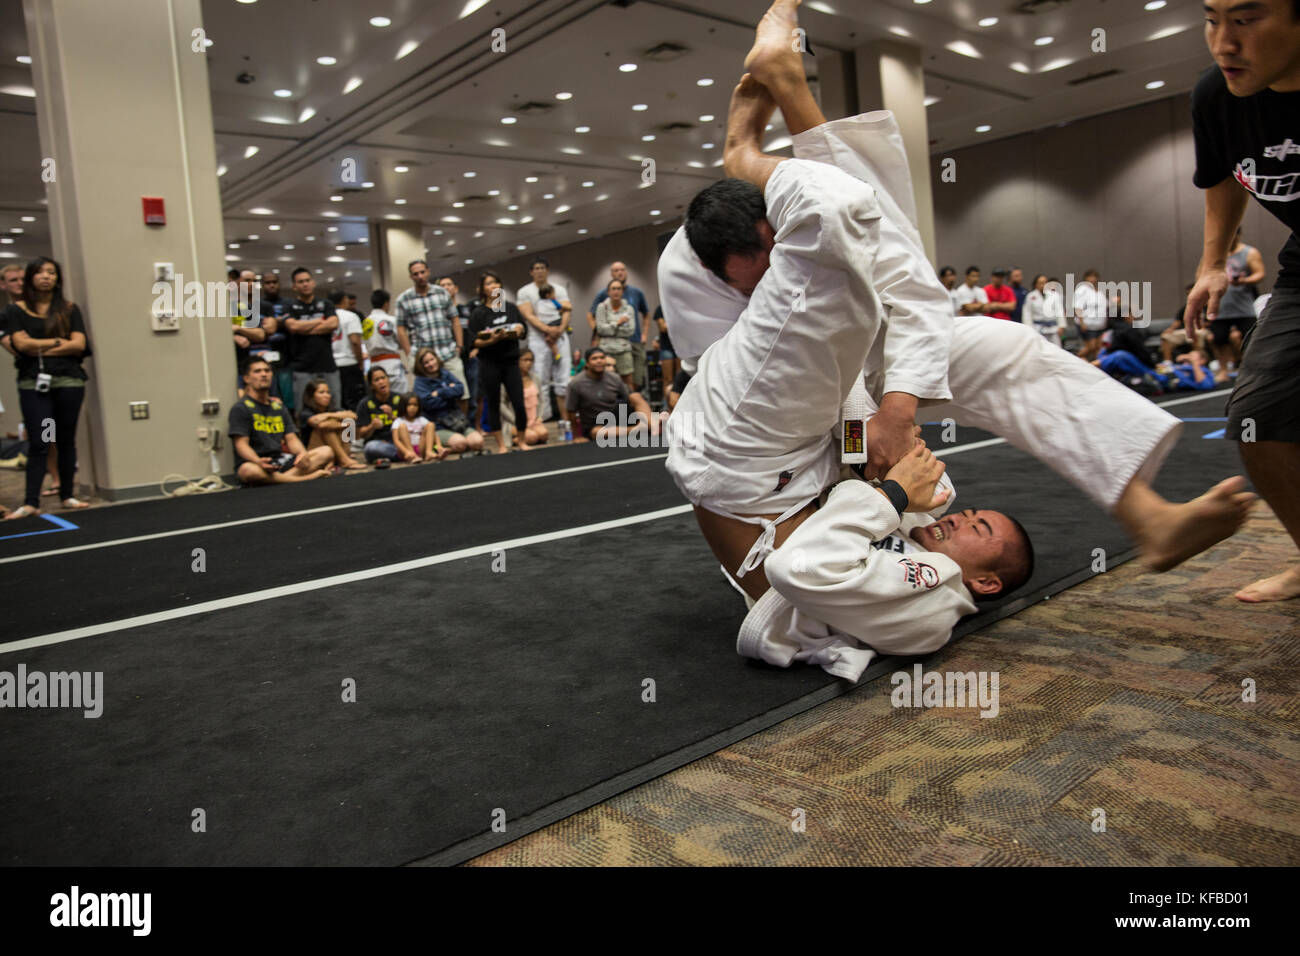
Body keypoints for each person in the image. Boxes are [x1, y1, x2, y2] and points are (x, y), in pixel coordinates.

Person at [659, 0, 1253, 611]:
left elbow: (899, 294)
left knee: (999, 345)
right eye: (755, 280)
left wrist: (894, 413)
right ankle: (760, 127)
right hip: (763, 434)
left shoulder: (809, 240)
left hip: (834, 386)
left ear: (776, 221)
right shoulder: (690, 276)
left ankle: (1146, 514)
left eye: (781, 257)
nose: (779, 280)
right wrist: (879, 450)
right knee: (844, 242)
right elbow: (779, 392)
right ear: (713, 274)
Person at [1187, 0, 1300, 603]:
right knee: (1259, 415)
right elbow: (1224, 176)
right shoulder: (1217, 97)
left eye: (1246, 19)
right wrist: (1211, 264)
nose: (1222, 43)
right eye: (1211, 19)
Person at [2, 256, 91, 520]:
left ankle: (67, 494)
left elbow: (79, 345)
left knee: (65, 439)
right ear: (31, 278)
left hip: (68, 381)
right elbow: (21, 345)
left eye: (51, 272)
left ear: (57, 278)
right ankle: (31, 501)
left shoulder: (69, 309)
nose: (46, 277)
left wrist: (39, 344)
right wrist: (59, 342)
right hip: (35, 384)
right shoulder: (15, 312)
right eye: (40, 272)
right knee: (41, 438)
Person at [227, 357, 333, 485]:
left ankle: (279, 480)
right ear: (246, 378)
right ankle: (302, 478)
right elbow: (241, 445)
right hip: (257, 463)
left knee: (327, 451)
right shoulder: (241, 408)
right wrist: (258, 461)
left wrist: (302, 453)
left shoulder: (278, 407)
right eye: (257, 371)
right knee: (248, 471)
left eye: (267, 371)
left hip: (281, 460)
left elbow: (291, 438)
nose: (264, 374)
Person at [467, 270, 531, 454]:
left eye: (496, 282)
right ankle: (501, 445)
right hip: (489, 362)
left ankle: (522, 442)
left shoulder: (510, 307)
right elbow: (474, 341)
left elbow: (523, 329)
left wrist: (519, 329)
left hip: (511, 361)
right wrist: (491, 340)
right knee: (493, 402)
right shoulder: (478, 313)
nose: (493, 286)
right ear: (482, 289)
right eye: (488, 283)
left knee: (518, 402)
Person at [395, 260, 466, 401]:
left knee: (461, 394)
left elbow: (455, 320)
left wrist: (459, 346)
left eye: (422, 272)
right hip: (422, 357)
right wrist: (410, 354)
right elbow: (401, 328)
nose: (420, 276)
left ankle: (462, 423)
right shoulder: (404, 299)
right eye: (416, 274)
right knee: (428, 399)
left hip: (448, 352)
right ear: (411, 277)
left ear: (428, 272)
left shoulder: (442, 293)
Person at [515, 258, 572, 425]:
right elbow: (528, 315)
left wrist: (560, 329)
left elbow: (567, 309)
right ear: (531, 272)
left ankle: (566, 417)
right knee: (541, 378)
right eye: (536, 268)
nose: (539, 271)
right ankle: (544, 418)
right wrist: (547, 330)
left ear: (547, 270)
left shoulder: (559, 289)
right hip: (538, 339)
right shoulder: (524, 292)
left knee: (564, 377)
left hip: (560, 336)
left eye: (542, 268)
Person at [566, 347, 659, 443]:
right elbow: (571, 412)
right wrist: (576, 436)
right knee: (598, 433)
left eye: (602, 358)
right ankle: (637, 430)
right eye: (594, 358)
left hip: (616, 417)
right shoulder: (576, 384)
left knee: (635, 396)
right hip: (595, 425)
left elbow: (630, 399)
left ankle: (651, 424)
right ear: (587, 363)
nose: (599, 361)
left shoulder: (614, 378)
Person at [1209, 228, 1266, 383]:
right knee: (1219, 339)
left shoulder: (1249, 252)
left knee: (1250, 339)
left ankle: (1253, 370)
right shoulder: (1215, 254)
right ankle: (1223, 371)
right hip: (1221, 306)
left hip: (1243, 306)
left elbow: (1260, 273)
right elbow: (1204, 275)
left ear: (1238, 234)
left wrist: (1243, 281)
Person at [587, 261, 651, 389]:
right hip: (608, 344)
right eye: (616, 270)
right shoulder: (602, 295)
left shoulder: (636, 292)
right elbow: (590, 315)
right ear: (611, 274)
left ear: (626, 272)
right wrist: (600, 333)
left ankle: (630, 406)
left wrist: (644, 334)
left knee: (636, 379)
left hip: (634, 340)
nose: (619, 272)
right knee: (609, 380)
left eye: (622, 269)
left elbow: (647, 314)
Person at [283, 267, 341, 409]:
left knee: (335, 408)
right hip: (302, 367)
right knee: (302, 410)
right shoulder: (289, 306)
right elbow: (293, 327)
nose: (305, 284)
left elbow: (333, 323)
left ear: (313, 282)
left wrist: (305, 328)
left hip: (327, 366)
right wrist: (319, 322)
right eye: (300, 282)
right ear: (294, 286)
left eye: (308, 280)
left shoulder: (326, 304)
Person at [413, 347, 486, 456]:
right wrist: (450, 393)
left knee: (478, 442)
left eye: (432, 359)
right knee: (461, 443)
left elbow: (460, 390)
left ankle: (452, 447)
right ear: (421, 366)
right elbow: (428, 404)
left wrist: (439, 393)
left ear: (437, 359)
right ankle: (439, 449)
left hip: (457, 422)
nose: (431, 364)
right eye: (426, 362)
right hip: (438, 426)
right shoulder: (420, 382)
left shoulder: (445, 373)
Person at [298, 377, 365, 470]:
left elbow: (353, 416)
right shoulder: (305, 413)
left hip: (334, 449)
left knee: (347, 422)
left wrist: (328, 415)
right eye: (321, 392)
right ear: (312, 396)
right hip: (314, 451)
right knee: (327, 427)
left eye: (328, 392)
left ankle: (344, 456)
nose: (326, 396)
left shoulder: (332, 410)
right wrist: (341, 424)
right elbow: (319, 424)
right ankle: (344, 460)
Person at [438, 275, 479, 419]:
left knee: (473, 395)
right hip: (449, 358)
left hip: (469, 357)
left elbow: (476, 330)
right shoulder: (439, 314)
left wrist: (476, 349)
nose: (446, 287)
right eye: (443, 285)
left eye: (449, 284)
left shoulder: (466, 309)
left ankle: (474, 426)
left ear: (456, 289)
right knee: (456, 393)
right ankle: (459, 423)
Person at [593, 278, 637, 388]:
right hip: (606, 350)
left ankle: (624, 406)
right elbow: (601, 329)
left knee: (627, 383)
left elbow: (630, 331)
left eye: (619, 289)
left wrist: (610, 328)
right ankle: (609, 406)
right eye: (613, 289)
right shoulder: (602, 307)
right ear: (608, 292)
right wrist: (618, 323)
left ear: (622, 291)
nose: (616, 291)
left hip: (624, 350)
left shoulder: (629, 309)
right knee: (606, 383)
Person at [328, 287, 366, 410]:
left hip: (332, 366)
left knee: (337, 403)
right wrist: (360, 362)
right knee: (353, 403)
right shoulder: (351, 316)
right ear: (345, 300)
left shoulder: (326, 318)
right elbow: (355, 341)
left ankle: (342, 429)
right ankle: (351, 429)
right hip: (349, 364)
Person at [356, 366, 403, 464]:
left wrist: (393, 417)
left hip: (400, 441)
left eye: (383, 378)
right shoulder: (364, 404)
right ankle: (404, 454)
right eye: (377, 380)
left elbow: (410, 424)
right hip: (379, 444)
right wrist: (371, 426)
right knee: (370, 448)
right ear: (371, 385)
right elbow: (360, 434)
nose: (381, 382)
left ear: (388, 379)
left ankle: (402, 453)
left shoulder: (400, 399)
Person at [364, 289, 407, 394]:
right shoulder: (391, 320)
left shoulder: (366, 322)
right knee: (399, 398)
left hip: (374, 364)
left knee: (379, 397)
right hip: (392, 363)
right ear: (386, 303)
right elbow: (402, 342)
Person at [510, 349, 549, 446]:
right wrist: (514, 420)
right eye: (525, 360)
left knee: (544, 435)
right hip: (514, 421)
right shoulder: (510, 380)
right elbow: (502, 405)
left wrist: (540, 416)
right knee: (532, 438)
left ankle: (528, 434)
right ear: (517, 360)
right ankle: (514, 439)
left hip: (533, 420)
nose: (529, 363)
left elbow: (542, 400)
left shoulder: (535, 378)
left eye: (531, 360)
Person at [392, 392, 446, 463]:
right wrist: (406, 452)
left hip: (421, 447)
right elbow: (396, 441)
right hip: (406, 450)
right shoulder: (398, 421)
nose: (412, 408)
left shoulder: (421, 419)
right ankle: (412, 455)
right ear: (403, 406)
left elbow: (433, 434)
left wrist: (439, 445)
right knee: (402, 427)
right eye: (409, 405)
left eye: (415, 405)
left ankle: (428, 452)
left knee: (430, 424)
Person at [1073, 268, 1108, 361]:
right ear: (1085, 278)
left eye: (1094, 277)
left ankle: (1098, 368)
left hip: (1100, 326)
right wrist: (1082, 322)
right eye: (1090, 277)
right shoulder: (1082, 290)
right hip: (1087, 324)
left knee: (1098, 348)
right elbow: (1078, 307)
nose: (1092, 279)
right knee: (1091, 347)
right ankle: (1073, 360)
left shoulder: (1099, 292)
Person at [1021, 273, 1064, 346]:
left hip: (1053, 328)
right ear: (1036, 284)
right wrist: (1030, 329)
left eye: (1045, 283)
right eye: (1040, 283)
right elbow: (1027, 313)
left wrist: (1061, 326)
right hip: (1038, 328)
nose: (1043, 285)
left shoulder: (1054, 295)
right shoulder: (1031, 296)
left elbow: (1060, 311)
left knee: (1056, 349)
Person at [652, 303, 679, 392]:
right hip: (666, 347)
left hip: (681, 347)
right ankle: (667, 405)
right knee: (668, 380)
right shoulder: (661, 308)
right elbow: (663, 328)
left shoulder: (681, 307)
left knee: (680, 379)